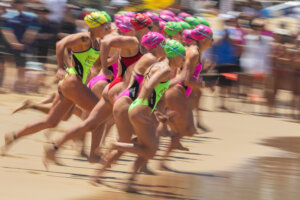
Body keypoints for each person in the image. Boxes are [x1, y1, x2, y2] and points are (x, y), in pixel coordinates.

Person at [43, 13, 153, 166]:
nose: (152, 30)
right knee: (97, 122)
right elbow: (107, 41)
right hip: (112, 87)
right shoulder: (132, 41)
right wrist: (106, 67)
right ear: (144, 28)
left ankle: (56, 148)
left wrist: (108, 62)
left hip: (115, 87)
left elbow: (115, 57)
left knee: (92, 123)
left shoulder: (139, 44)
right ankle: (98, 154)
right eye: (151, 27)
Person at [1, 12, 111, 156]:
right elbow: (61, 44)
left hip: (72, 83)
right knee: (101, 114)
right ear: (96, 25)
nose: (108, 28)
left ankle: (13, 136)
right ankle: (93, 155)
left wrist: (112, 60)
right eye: (106, 25)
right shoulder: (84, 38)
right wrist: (60, 67)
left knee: (52, 122)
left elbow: (96, 65)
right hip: (73, 83)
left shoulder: (97, 43)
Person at [92, 32, 167, 183]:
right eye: (163, 44)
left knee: (142, 142)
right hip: (128, 104)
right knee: (131, 143)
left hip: (128, 101)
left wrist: (154, 111)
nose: (165, 46)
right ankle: (103, 174)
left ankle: (121, 177)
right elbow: (146, 87)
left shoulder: (149, 59)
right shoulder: (152, 60)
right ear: (157, 46)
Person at [159, 25, 213, 171]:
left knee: (182, 130)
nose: (212, 41)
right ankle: (160, 159)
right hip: (178, 92)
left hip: (179, 92)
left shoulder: (193, 50)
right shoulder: (194, 53)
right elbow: (186, 79)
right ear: (203, 38)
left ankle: (161, 159)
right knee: (185, 130)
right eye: (210, 37)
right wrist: (203, 85)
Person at [1, 0, 40, 92]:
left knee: (21, 67)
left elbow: (32, 31)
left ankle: (19, 85)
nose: (20, 5)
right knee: (2, 66)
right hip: (6, 45)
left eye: (21, 3)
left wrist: (24, 43)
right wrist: (13, 43)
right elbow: (6, 31)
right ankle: (2, 85)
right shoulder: (6, 16)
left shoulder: (31, 17)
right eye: (18, 3)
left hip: (22, 46)